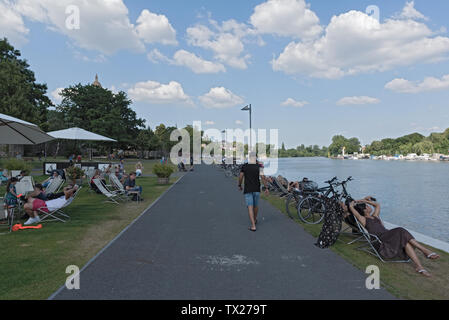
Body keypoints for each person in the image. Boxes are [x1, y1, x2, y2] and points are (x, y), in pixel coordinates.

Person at [348, 197, 440, 277]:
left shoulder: (375, 216)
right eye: (367, 206)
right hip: (381, 241)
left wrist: (363, 200)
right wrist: (352, 205)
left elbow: (377, 205)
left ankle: (419, 266)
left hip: (389, 237)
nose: (369, 207)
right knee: (400, 230)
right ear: (364, 210)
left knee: (406, 241)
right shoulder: (363, 219)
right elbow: (352, 208)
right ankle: (425, 251)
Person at [238, 152, 269, 232]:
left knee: (250, 206)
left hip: (248, 189)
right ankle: (254, 219)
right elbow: (262, 177)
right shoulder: (259, 166)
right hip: (256, 189)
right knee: (255, 205)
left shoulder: (244, 166)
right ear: (255, 158)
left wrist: (239, 185)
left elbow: (241, 176)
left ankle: (253, 225)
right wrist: (266, 187)